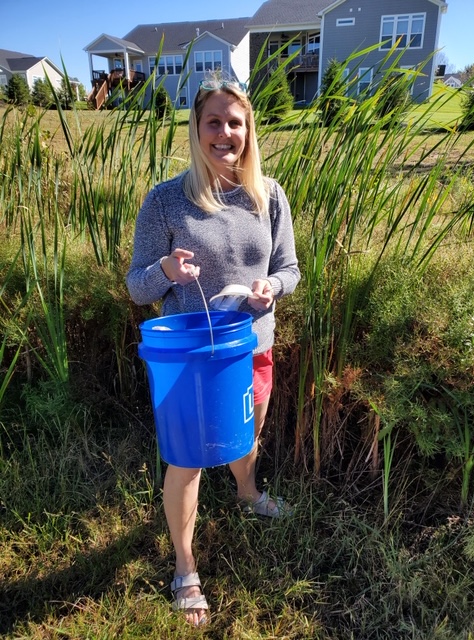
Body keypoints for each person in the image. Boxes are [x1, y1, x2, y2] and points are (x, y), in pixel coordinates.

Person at [126, 76, 300, 626]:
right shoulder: (165, 201)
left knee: (246, 434)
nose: (225, 133)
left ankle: (248, 495)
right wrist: (165, 271)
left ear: (248, 131)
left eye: (235, 123)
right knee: (188, 459)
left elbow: (289, 269)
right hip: (191, 361)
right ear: (196, 129)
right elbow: (136, 286)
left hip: (252, 347)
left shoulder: (268, 195)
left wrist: (272, 287)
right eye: (213, 122)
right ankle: (184, 567)